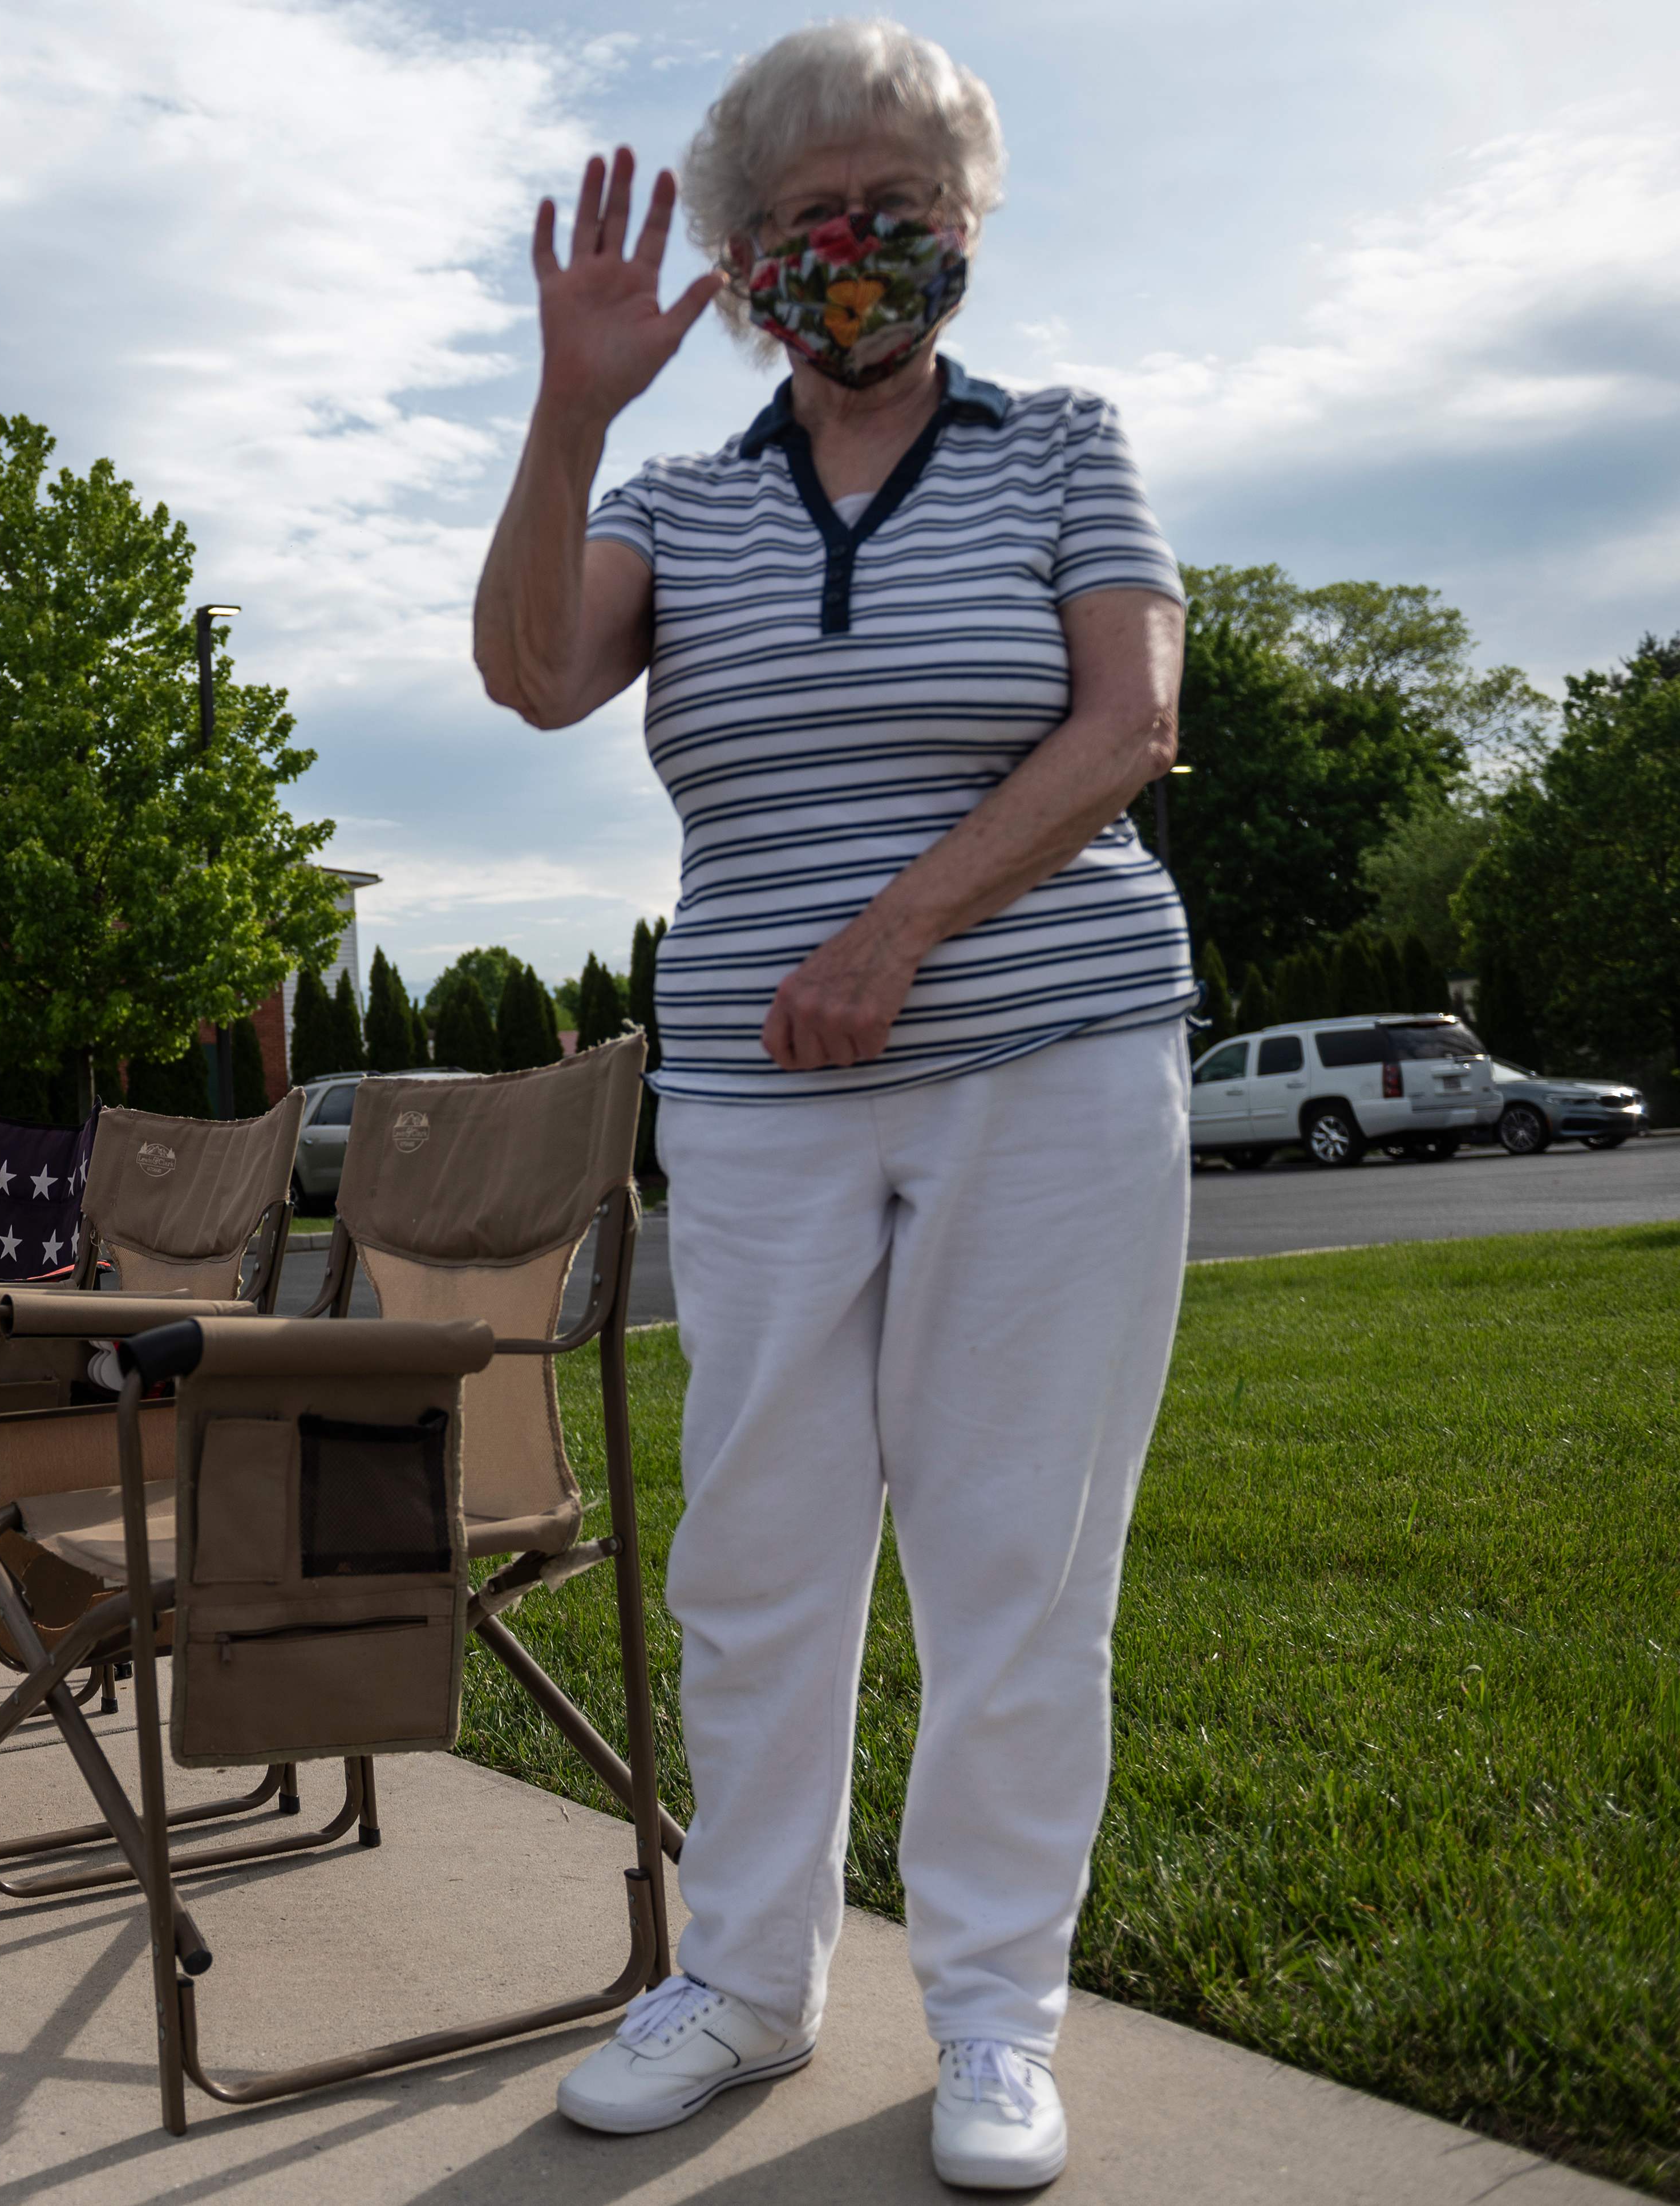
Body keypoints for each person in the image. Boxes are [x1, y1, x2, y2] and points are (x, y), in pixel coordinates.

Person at [472, 23, 1190, 2191]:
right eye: (803, 218)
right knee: (754, 1550)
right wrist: (569, 406)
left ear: (959, 229)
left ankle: (987, 2016)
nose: (852, 249)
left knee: (1011, 1556)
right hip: (762, 1087)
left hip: (1049, 1059)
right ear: (738, 257)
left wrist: (893, 930)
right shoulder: (677, 500)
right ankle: (745, 1978)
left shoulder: (1060, 441)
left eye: (894, 206)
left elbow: (1128, 717)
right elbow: (526, 669)